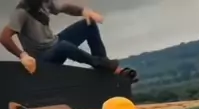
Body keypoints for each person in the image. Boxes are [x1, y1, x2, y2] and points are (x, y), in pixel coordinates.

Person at [0, 0, 134, 77]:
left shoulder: (45, 2)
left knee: (89, 24)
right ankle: (104, 65)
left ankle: (104, 68)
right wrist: (22, 55)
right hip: (42, 58)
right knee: (63, 46)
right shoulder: (21, 12)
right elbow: (4, 37)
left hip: (55, 43)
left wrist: (84, 11)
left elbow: (65, 8)